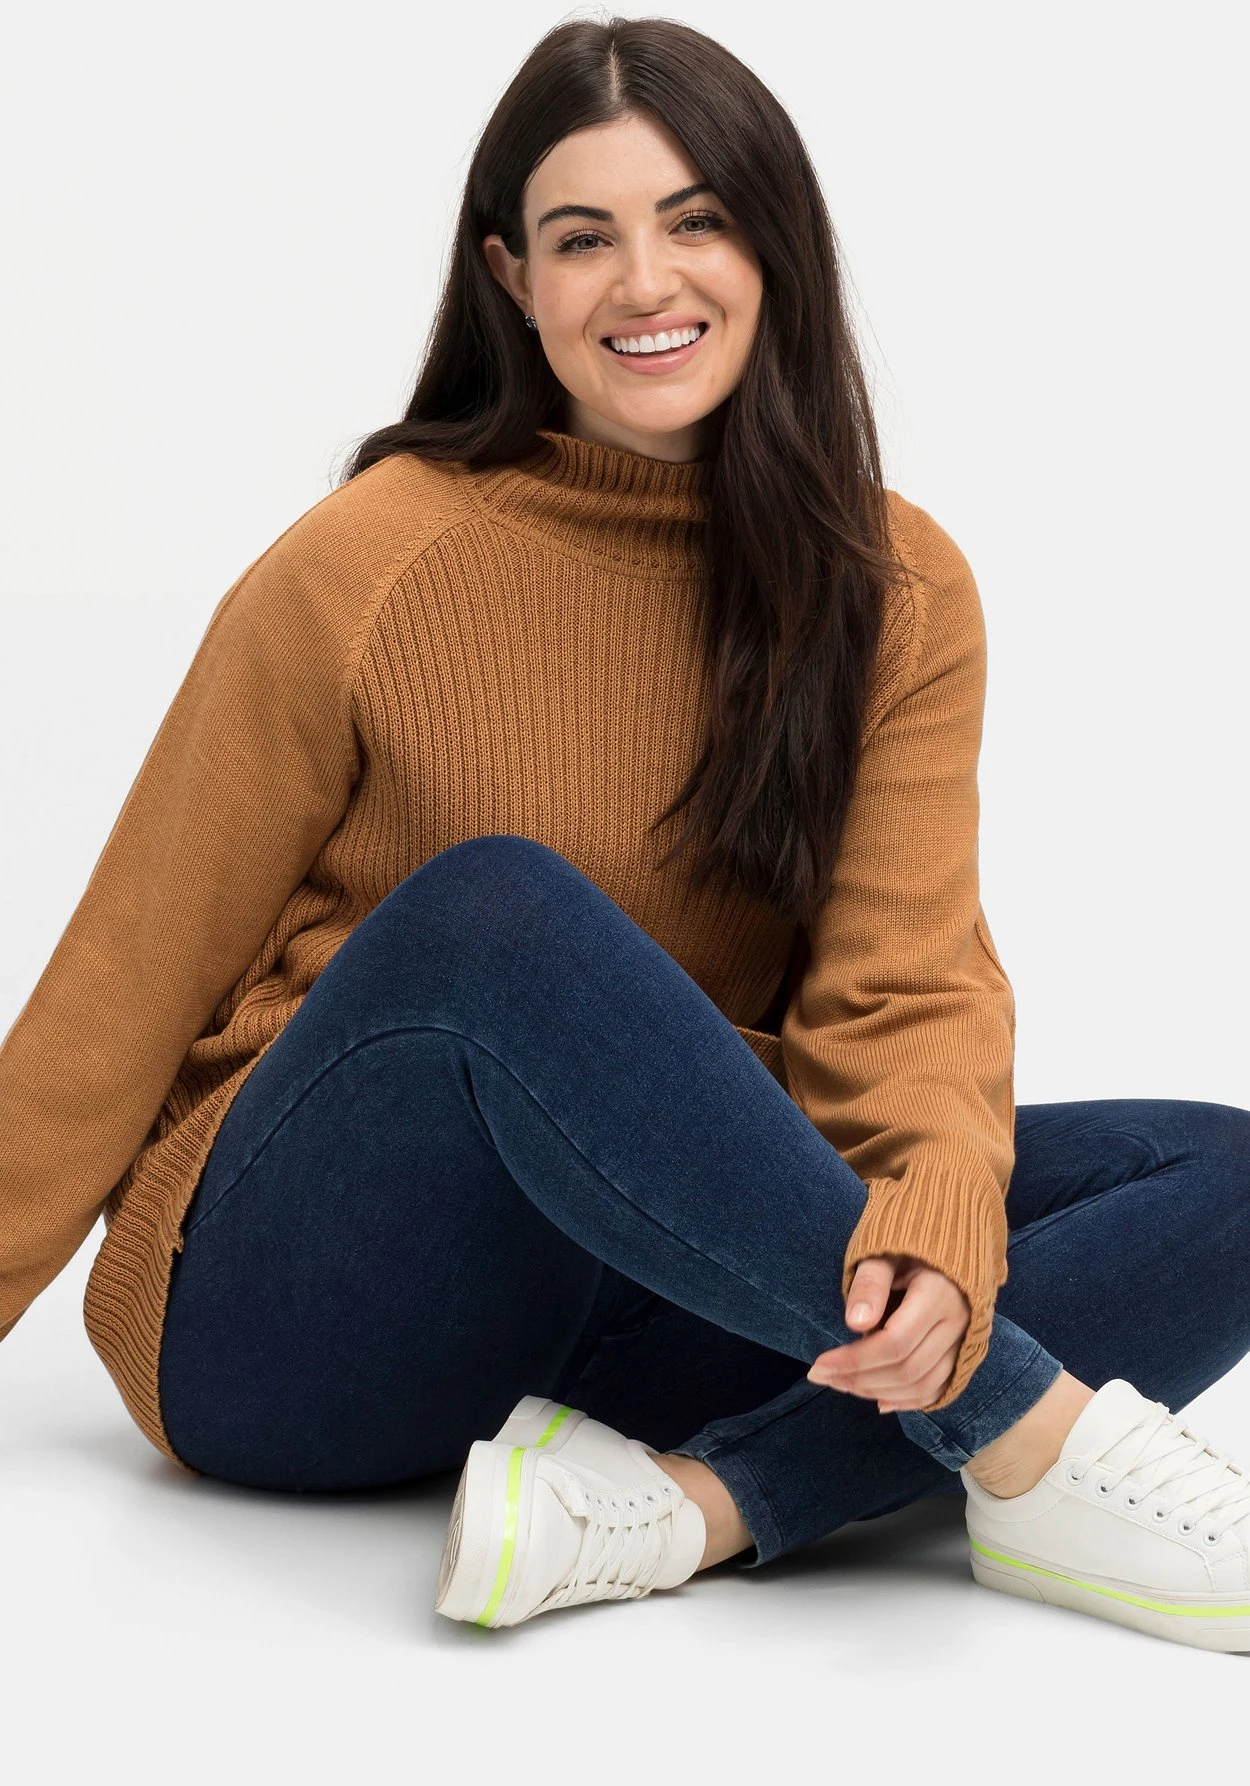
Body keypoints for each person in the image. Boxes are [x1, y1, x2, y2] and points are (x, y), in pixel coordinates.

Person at [3, 16, 1248, 1649]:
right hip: (285, 1319)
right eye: (584, 237)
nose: (643, 281)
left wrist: (937, 1215)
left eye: (695, 220)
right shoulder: (367, 564)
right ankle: (1022, 1443)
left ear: (772, 245)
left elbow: (900, 983)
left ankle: (690, 1505)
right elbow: (119, 994)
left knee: (1213, 1173)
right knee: (497, 917)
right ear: (512, 278)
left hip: (626, 1310)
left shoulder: (891, 588)